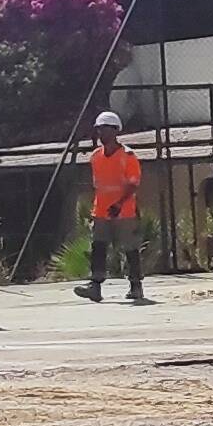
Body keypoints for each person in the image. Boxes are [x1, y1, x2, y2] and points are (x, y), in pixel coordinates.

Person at [76, 110, 149, 303]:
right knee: (98, 247)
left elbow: (133, 184)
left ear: (115, 131)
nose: (101, 134)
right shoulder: (95, 157)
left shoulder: (128, 155)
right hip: (101, 211)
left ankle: (136, 286)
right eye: (99, 130)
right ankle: (96, 286)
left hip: (124, 212)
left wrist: (118, 204)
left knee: (130, 249)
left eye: (105, 130)